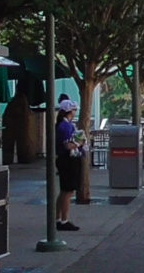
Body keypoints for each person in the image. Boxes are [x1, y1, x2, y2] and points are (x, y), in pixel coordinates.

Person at [55, 99, 83, 231]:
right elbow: (67, 145)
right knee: (68, 191)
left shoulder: (64, 125)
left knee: (64, 191)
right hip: (68, 159)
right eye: (74, 110)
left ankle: (58, 218)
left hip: (65, 159)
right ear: (70, 111)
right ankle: (64, 219)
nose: (75, 112)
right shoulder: (66, 127)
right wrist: (80, 143)